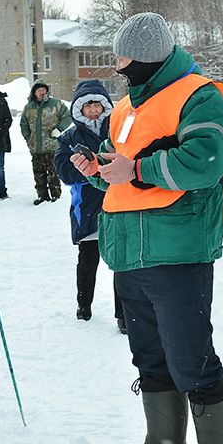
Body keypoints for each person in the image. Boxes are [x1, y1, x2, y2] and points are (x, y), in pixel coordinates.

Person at [70, 12, 223, 444]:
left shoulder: (199, 95)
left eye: (122, 57)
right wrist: (95, 169)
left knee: (191, 363)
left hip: (177, 252)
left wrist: (137, 168)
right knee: (150, 362)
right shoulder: (126, 107)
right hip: (128, 254)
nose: (118, 66)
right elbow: (115, 166)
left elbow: (207, 160)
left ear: (146, 57)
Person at [54, 79, 125, 331]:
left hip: (117, 204)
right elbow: (64, 172)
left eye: (98, 105)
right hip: (87, 208)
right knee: (88, 259)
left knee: (120, 262)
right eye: (88, 106)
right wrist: (88, 168)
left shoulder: (117, 131)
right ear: (79, 109)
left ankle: (124, 315)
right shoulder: (69, 137)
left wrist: (103, 166)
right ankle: (84, 305)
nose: (93, 110)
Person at [20, 79, 71, 205]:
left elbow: (68, 116)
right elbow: (23, 124)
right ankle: (42, 196)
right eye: (39, 90)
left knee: (53, 173)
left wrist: (59, 129)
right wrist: (29, 139)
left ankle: (55, 197)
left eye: (44, 89)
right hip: (36, 147)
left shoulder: (56, 104)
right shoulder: (29, 107)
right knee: (39, 174)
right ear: (34, 92)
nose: (42, 92)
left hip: (52, 146)